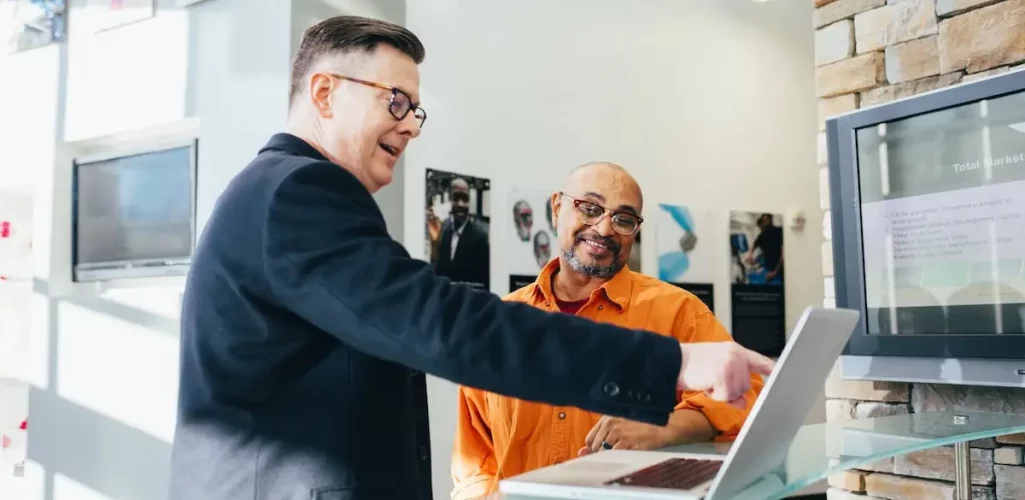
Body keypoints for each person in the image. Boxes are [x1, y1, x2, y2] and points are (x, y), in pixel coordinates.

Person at [168, 16, 774, 500]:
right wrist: (672, 363)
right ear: (324, 92)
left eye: (416, 109)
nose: (411, 126)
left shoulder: (277, 193)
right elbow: (444, 325)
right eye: (396, 102)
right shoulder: (299, 193)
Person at [450, 163, 765, 499]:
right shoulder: (501, 322)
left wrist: (665, 427)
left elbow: (748, 398)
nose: (604, 228)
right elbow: (475, 462)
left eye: (623, 219)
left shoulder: (678, 311)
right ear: (557, 208)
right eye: (590, 208)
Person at [432, 177, 490, 289]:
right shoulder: (444, 232)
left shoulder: (480, 238)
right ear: (449, 199)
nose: (461, 204)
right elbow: (440, 272)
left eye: (465, 199)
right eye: (456, 198)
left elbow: (485, 282)